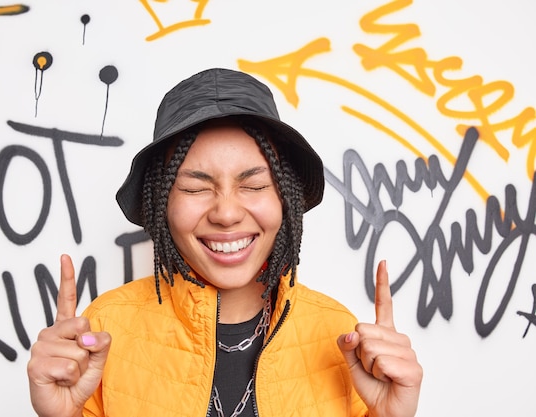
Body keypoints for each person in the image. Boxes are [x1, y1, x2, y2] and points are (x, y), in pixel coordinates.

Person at [27, 68, 423, 417]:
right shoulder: (104, 330)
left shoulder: (341, 336)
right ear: (162, 202)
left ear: (284, 198)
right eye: (196, 188)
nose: (227, 213)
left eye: (252, 185)